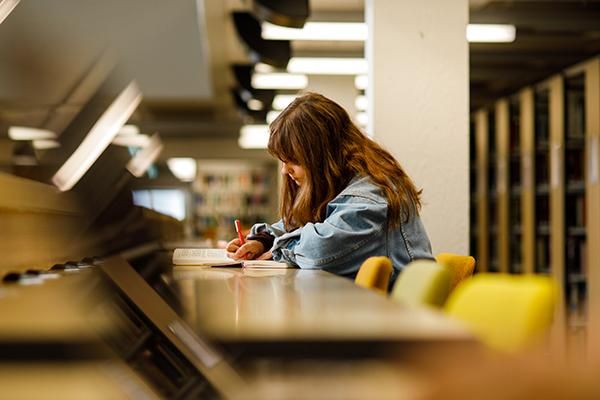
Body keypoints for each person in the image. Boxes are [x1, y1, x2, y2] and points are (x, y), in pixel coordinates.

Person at [226, 92, 433, 286]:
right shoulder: (342, 184)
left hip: (399, 316)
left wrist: (277, 246)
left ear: (323, 156)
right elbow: (297, 227)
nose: (284, 171)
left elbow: (320, 249)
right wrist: (263, 241)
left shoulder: (370, 195)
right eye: (283, 161)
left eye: (294, 161)